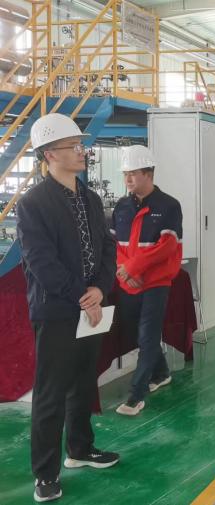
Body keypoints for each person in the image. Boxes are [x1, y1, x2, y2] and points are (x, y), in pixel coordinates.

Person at [16, 113, 119, 503]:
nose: (82, 151)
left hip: (91, 307)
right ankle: (45, 473)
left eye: (81, 145)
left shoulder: (90, 198)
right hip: (57, 310)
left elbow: (107, 248)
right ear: (49, 154)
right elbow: (41, 263)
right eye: (73, 146)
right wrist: (83, 296)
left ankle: (80, 448)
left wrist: (100, 289)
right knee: (51, 393)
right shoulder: (33, 204)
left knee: (83, 382)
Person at [112, 145, 183, 416]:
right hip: (128, 282)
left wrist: (133, 268)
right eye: (125, 174)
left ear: (149, 174)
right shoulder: (122, 206)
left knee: (148, 336)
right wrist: (124, 271)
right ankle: (162, 373)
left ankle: (136, 396)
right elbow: (114, 243)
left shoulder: (169, 206)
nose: (128, 179)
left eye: (133, 173)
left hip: (155, 283)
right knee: (136, 333)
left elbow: (167, 246)